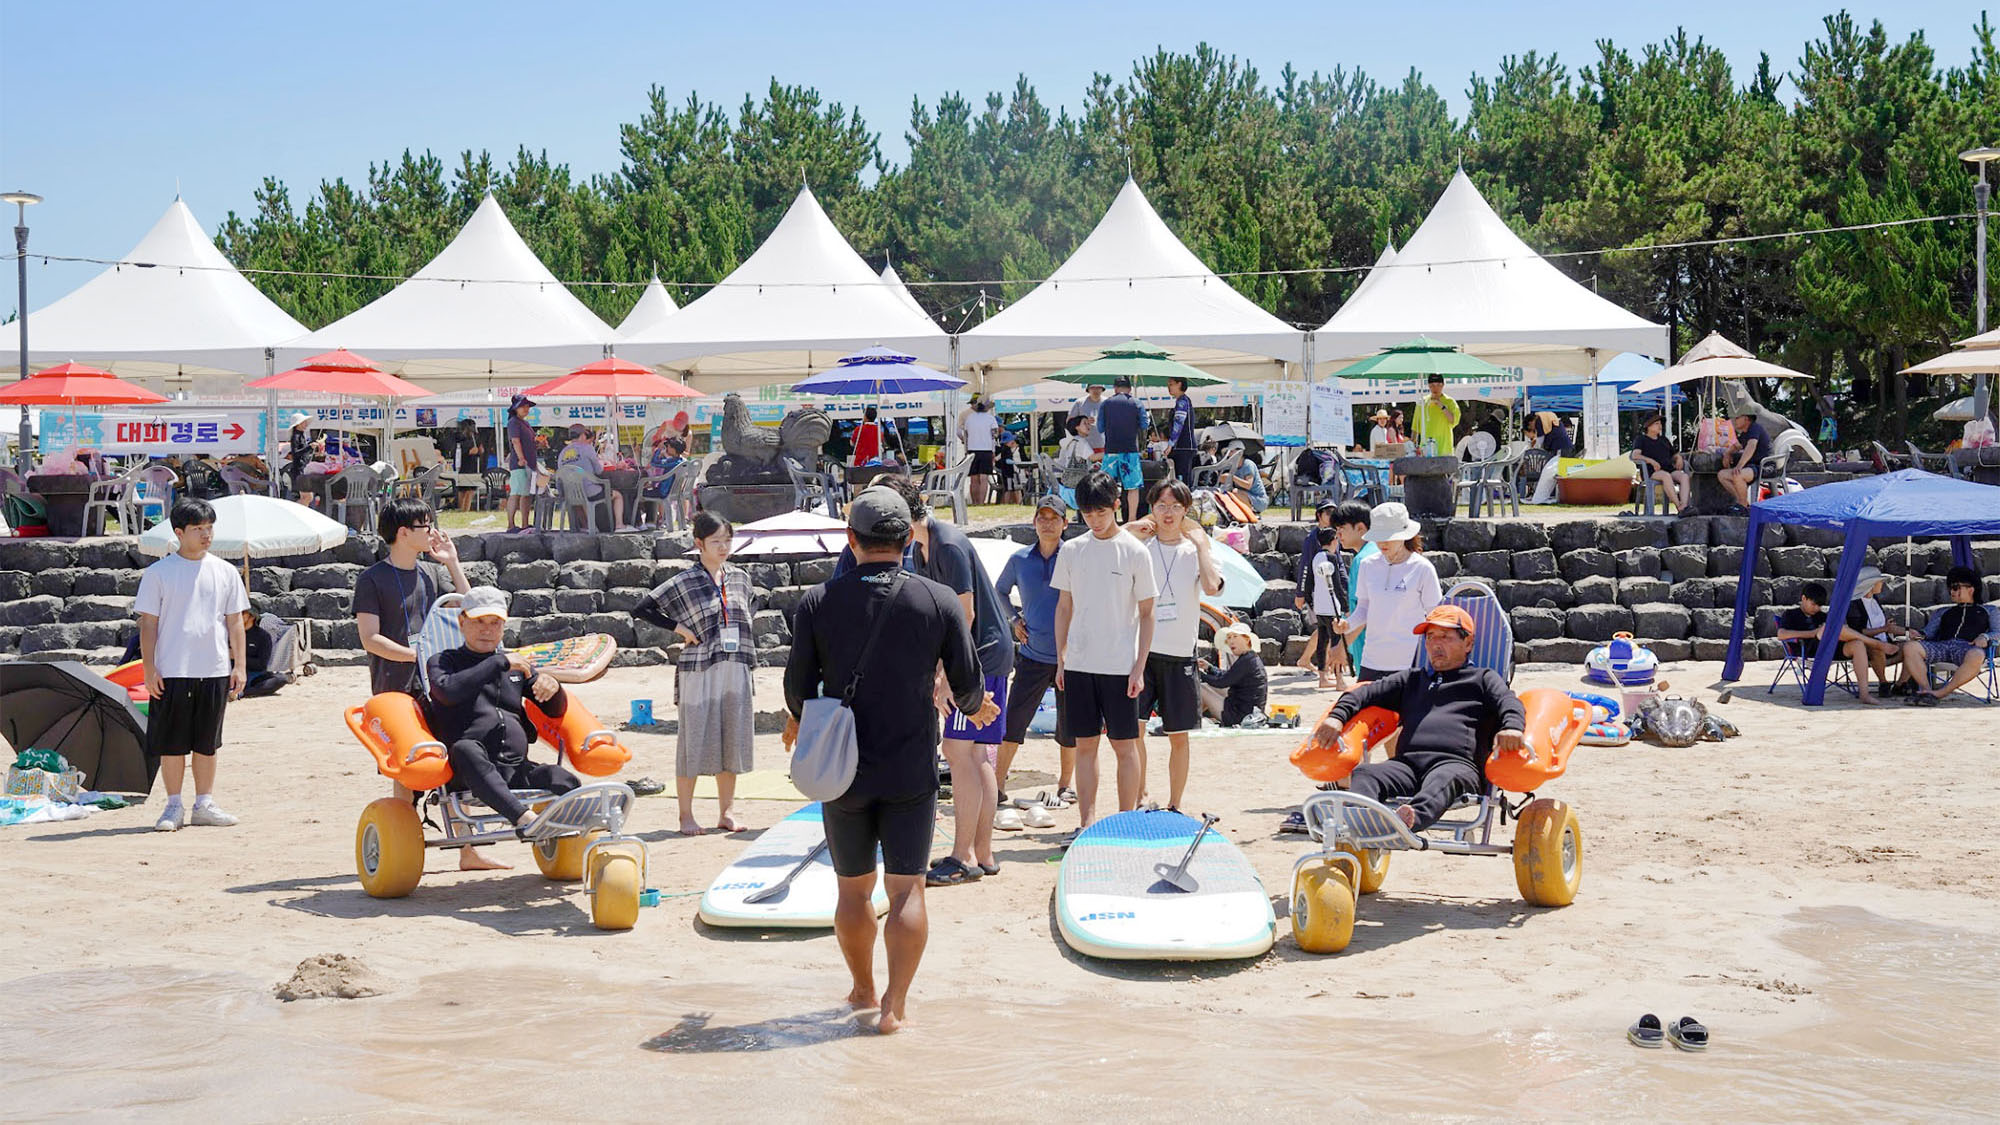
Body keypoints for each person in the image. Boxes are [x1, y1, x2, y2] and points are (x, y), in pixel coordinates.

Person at [782, 488, 998, 1036]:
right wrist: (976, 707)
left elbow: (796, 690)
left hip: (842, 768)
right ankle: (894, 1006)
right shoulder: (938, 600)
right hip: (909, 766)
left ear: (850, 539)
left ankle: (862, 987)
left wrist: (800, 718)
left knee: (853, 889)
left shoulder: (818, 602)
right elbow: (967, 683)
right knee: (907, 890)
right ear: (907, 540)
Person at [1308, 606, 1528, 832]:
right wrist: (1337, 717)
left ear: (1468, 644)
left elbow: (1510, 703)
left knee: (1443, 778)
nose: (1435, 644)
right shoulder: (1412, 680)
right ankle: (1361, 822)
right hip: (1407, 766)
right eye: (1430, 637)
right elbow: (1362, 693)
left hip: (1456, 765)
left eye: (1445, 636)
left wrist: (1512, 727)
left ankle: (1406, 821)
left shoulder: (1482, 679)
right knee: (1365, 774)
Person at [634, 512, 757, 835]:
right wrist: (681, 629)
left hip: (735, 666)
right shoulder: (685, 580)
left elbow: (752, 605)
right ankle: (685, 815)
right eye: (716, 541)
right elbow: (643, 608)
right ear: (699, 543)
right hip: (699, 668)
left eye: (727, 540)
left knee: (732, 738)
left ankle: (726, 812)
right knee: (693, 741)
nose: (723, 547)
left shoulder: (740, 577)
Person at [136, 497, 250, 832]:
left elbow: (235, 622)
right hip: (171, 669)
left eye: (209, 528)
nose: (206, 535)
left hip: (214, 667)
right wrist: (149, 668)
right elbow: (148, 624)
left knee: (207, 741)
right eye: (198, 528)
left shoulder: (225, 571)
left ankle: (204, 803)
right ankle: (173, 804)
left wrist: (239, 666)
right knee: (172, 743)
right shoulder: (158, 573)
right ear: (179, 533)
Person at [425, 586, 579, 832]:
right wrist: (499, 662)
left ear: (503, 626)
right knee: (465, 748)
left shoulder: (516, 665)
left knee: (561, 778)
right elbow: (447, 692)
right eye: (479, 621)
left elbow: (553, 710)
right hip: (467, 771)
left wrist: (554, 688)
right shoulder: (444, 661)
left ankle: (578, 831)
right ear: (462, 622)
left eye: (495, 623)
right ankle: (524, 819)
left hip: (515, 768)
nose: (487, 630)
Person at [1052, 471, 1157, 828]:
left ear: (1115, 505)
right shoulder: (1072, 550)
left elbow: (1148, 612)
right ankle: (1087, 822)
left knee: (1124, 746)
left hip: (1120, 665)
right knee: (1085, 746)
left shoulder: (1135, 551)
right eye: (1087, 513)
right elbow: (1063, 606)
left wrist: (1139, 667)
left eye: (1101, 511)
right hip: (1079, 663)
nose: (1094, 520)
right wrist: (1061, 657)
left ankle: (1125, 821)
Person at [1124, 479, 1224, 812]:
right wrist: (1130, 527)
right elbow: (1102, 545)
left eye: (1176, 507)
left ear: (1186, 511)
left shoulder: (1194, 550)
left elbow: (1212, 587)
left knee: (1179, 736)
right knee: (1134, 731)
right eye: (1162, 506)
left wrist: (1202, 546)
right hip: (1141, 654)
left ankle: (1175, 803)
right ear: (1151, 508)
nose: (1168, 513)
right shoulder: (1140, 547)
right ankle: (1140, 794)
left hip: (1181, 655)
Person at [993, 495, 1078, 810]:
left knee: (1070, 727)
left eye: (1054, 518)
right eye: (1042, 517)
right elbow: (999, 591)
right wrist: (1014, 620)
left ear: (1065, 523)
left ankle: (1065, 785)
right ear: (1034, 522)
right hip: (1032, 655)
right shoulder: (1019, 559)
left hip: (1071, 657)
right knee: (1013, 721)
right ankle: (997, 785)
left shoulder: (1075, 557)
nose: (1047, 523)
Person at [354, 498, 470, 698]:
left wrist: (453, 562)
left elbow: (468, 606)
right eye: (426, 526)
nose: (432, 532)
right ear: (403, 532)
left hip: (434, 680)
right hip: (393, 684)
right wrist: (418, 655)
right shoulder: (371, 579)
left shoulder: (430, 572)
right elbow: (370, 639)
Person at [1344, 502, 1441, 681]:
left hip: (1411, 661)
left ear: (1404, 536)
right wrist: (1347, 625)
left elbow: (1435, 615)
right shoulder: (1367, 565)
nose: (1382, 543)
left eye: (1388, 537)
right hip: (1371, 660)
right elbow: (1363, 609)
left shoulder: (1422, 568)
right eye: (1378, 537)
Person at [1897, 566, 1993, 705]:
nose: (1951, 592)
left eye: (1955, 587)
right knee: (1910, 647)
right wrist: (1918, 635)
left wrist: (1985, 637)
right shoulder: (1943, 611)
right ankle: (1926, 690)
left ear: (1971, 589)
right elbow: (1928, 633)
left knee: (1977, 654)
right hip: (1942, 646)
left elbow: (1998, 632)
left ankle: (1939, 693)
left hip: (1966, 648)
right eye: (1950, 588)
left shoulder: (1989, 611)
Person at [1843, 565, 1915, 705]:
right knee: (1877, 648)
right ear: (1870, 585)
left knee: (1911, 647)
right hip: (1869, 646)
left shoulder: (1875, 600)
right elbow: (1858, 631)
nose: (1882, 584)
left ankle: (1901, 684)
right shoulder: (1854, 604)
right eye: (1879, 581)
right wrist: (1883, 629)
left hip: (1885, 641)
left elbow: (1886, 628)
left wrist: (1908, 631)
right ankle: (1883, 683)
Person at [1094, 376, 1147, 521]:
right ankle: (1131, 519)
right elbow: (1144, 425)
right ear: (1130, 389)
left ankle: (1110, 518)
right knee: (1133, 487)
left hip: (1111, 451)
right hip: (1130, 451)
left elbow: (1100, 428)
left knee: (1107, 487)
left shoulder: (1106, 403)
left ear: (1115, 388)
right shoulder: (1136, 403)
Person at [557, 424, 627, 531]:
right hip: (591, 493)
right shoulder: (587, 448)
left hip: (571, 493)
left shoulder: (562, 453)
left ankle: (586, 526)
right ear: (583, 435)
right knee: (618, 495)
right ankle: (619, 524)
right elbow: (599, 470)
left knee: (580, 502)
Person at [1199, 623, 1268, 727]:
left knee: (1201, 688)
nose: (1231, 641)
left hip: (1240, 717)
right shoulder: (1250, 658)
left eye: (1235, 636)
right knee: (1206, 686)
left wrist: (1198, 674)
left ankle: (1191, 720)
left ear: (1247, 639)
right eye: (1229, 638)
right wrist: (1209, 668)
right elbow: (1229, 676)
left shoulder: (1246, 661)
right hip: (1249, 712)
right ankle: (1198, 716)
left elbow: (1222, 682)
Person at [1632, 412, 1691, 512]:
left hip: (1668, 469)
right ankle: (1679, 506)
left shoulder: (1664, 440)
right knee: (1666, 476)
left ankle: (1684, 506)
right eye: (1657, 423)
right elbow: (1635, 455)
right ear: (1648, 426)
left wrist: (1679, 457)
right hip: (1652, 472)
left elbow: (1674, 454)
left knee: (1684, 476)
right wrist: (1651, 461)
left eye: (1660, 423)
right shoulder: (1641, 439)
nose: (1660, 426)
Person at [1718, 407, 1769, 511]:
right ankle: (1742, 502)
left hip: (1764, 466)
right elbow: (1737, 445)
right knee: (1722, 475)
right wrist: (1727, 453)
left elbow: (1751, 446)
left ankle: (1742, 506)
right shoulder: (1746, 433)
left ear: (1746, 418)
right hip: (1752, 466)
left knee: (1738, 475)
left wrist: (1739, 466)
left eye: (1737, 418)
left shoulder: (1754, 428)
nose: (1734, 420)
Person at [503, 394, 538, 533]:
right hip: (520, 464)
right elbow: (515, 441)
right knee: (516, 493)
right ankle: (511, 525)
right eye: (522, 406)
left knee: (526, 494)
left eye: (527, 406)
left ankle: (525, 523)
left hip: (529, 463)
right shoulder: (514, 422)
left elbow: (528, 442)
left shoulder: (525, 423)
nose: (526, 408)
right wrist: (521, 458)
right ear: (515, 408)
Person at [1525, 411, 1573, 505]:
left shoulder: (1539, 420)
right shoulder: (1548, 419)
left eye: (1530, 427)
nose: (1533, 429)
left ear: (1531, 422)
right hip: (1564, 446)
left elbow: (1540, 441)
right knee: (1559, 473)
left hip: (1560, 447)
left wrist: (1534, 449)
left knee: (1557, 473)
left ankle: (1558, 496)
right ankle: (1560, 496)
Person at [961, 398, 1003, 506]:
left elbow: (965, 434)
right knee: (984, 478)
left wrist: (966, 449)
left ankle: (975, 502)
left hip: (972, 449)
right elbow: (994, 436)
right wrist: (993, 450)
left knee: (973, 478)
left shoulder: (969, 418)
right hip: (986, 450)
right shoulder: (991, 419)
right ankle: (981, 502)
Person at [1775, 581, 1831, 661]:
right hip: (1805, 652)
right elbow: (1781, 634)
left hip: (1828, 650)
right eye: (1813, 604)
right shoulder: (1790, 615)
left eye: (1819, 605)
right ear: (1804, 598)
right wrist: (1813, 633)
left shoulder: (1822, 616)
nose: (1816, 608)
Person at [1415, 374, 1461, 456]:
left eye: (1438, 385)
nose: (1435, 388)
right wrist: (1412, 445)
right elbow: (1415, 426)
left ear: (1443, 385)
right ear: (1428, 386)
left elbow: (1454, 420)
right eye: (1432, 385)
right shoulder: (1422, 402)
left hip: (1445, 448)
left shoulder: (1450, 401)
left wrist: (1442, 406)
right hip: (1426, 448)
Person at [1165, 376, 1199, 487]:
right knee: (1181, 480)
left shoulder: (1183, 402)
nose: (1168, 387)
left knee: (1183, 481)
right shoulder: (1181, 401)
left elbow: (1178, 423)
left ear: (1179, 384)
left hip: (1184, 447)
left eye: (1171, 384)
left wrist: (1170, 444)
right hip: (1183, 447)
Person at [1067, 385, 1108, 454]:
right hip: (1084, 444)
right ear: (1088, 390)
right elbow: (1069, 422)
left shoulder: (1107, 402)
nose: (1095, 390)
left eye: (1098, 388)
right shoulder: (1080, 403)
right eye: (1093, 388)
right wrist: (1084, 420)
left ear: (1102, 389)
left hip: (1104, 443)